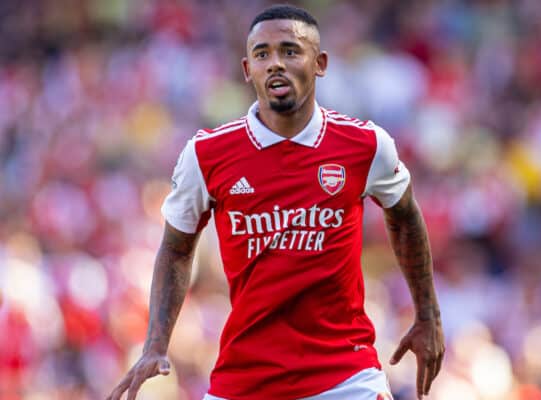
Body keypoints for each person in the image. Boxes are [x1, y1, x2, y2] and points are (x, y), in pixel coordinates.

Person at [107, 4, 444, 400]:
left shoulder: (366, 145)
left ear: (319, 63)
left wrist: (428, 316)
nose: (275, 64)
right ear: (247, 69)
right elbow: (177, 248)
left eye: (289, 50)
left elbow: (404, 217)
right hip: (245, 379)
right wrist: (155, 344)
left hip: (345, 376)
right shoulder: (206, 154)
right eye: (262, 54)